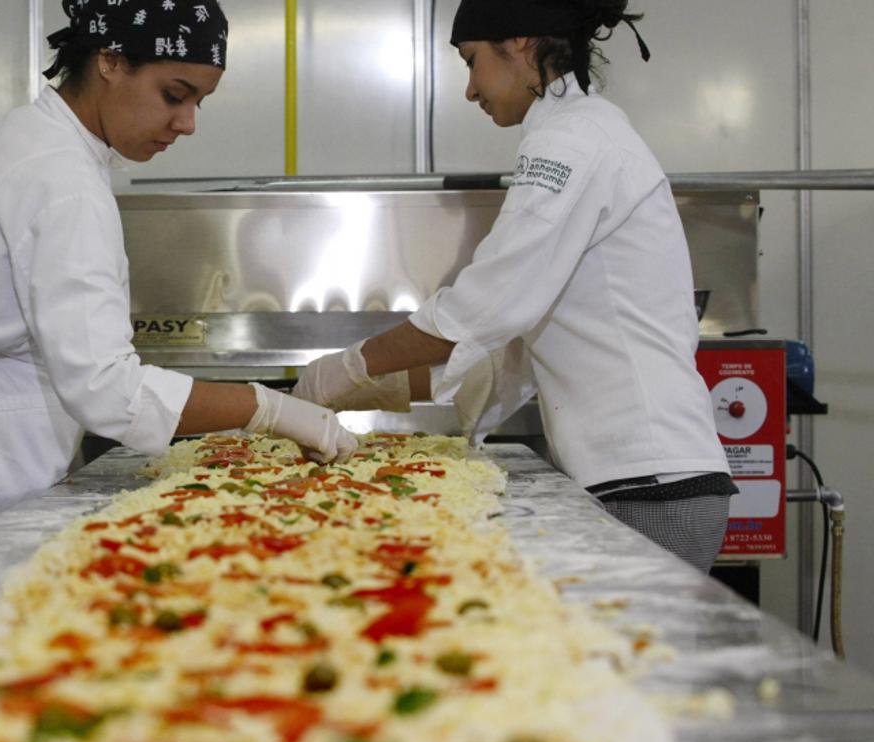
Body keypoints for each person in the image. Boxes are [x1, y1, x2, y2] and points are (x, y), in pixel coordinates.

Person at [0, 0, 355, 566]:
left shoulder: (19, 134)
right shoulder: (63, 181)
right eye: (174, 95)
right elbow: (109, 390)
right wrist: (269, 409)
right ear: (110, 62)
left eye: (198, 102)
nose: (187, 124)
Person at [292, 0, 735, 572]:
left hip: (650, 486)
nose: (471, 90)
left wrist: (346, 368)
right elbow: (515, 357)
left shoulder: (570, 144)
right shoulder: (582, 133)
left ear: (521, 43)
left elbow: (483, 308)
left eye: (472, 61)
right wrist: (378, 390)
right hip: (649, 479)